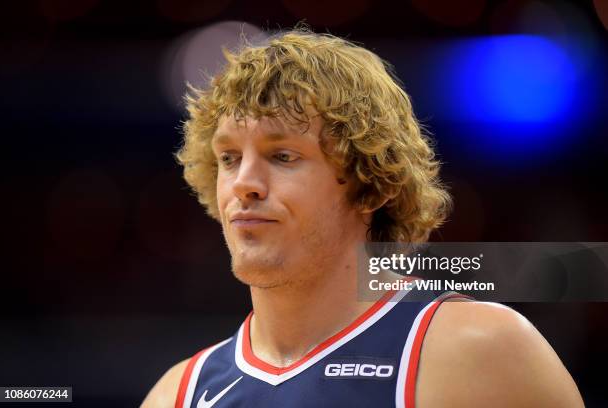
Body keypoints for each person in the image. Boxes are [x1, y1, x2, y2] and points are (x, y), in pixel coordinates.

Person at [142, 29, 584, 407]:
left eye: (282, 155)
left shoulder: (478, 351)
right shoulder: (177, 394)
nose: (244, 183)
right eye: (229, 158)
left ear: (370, 182)